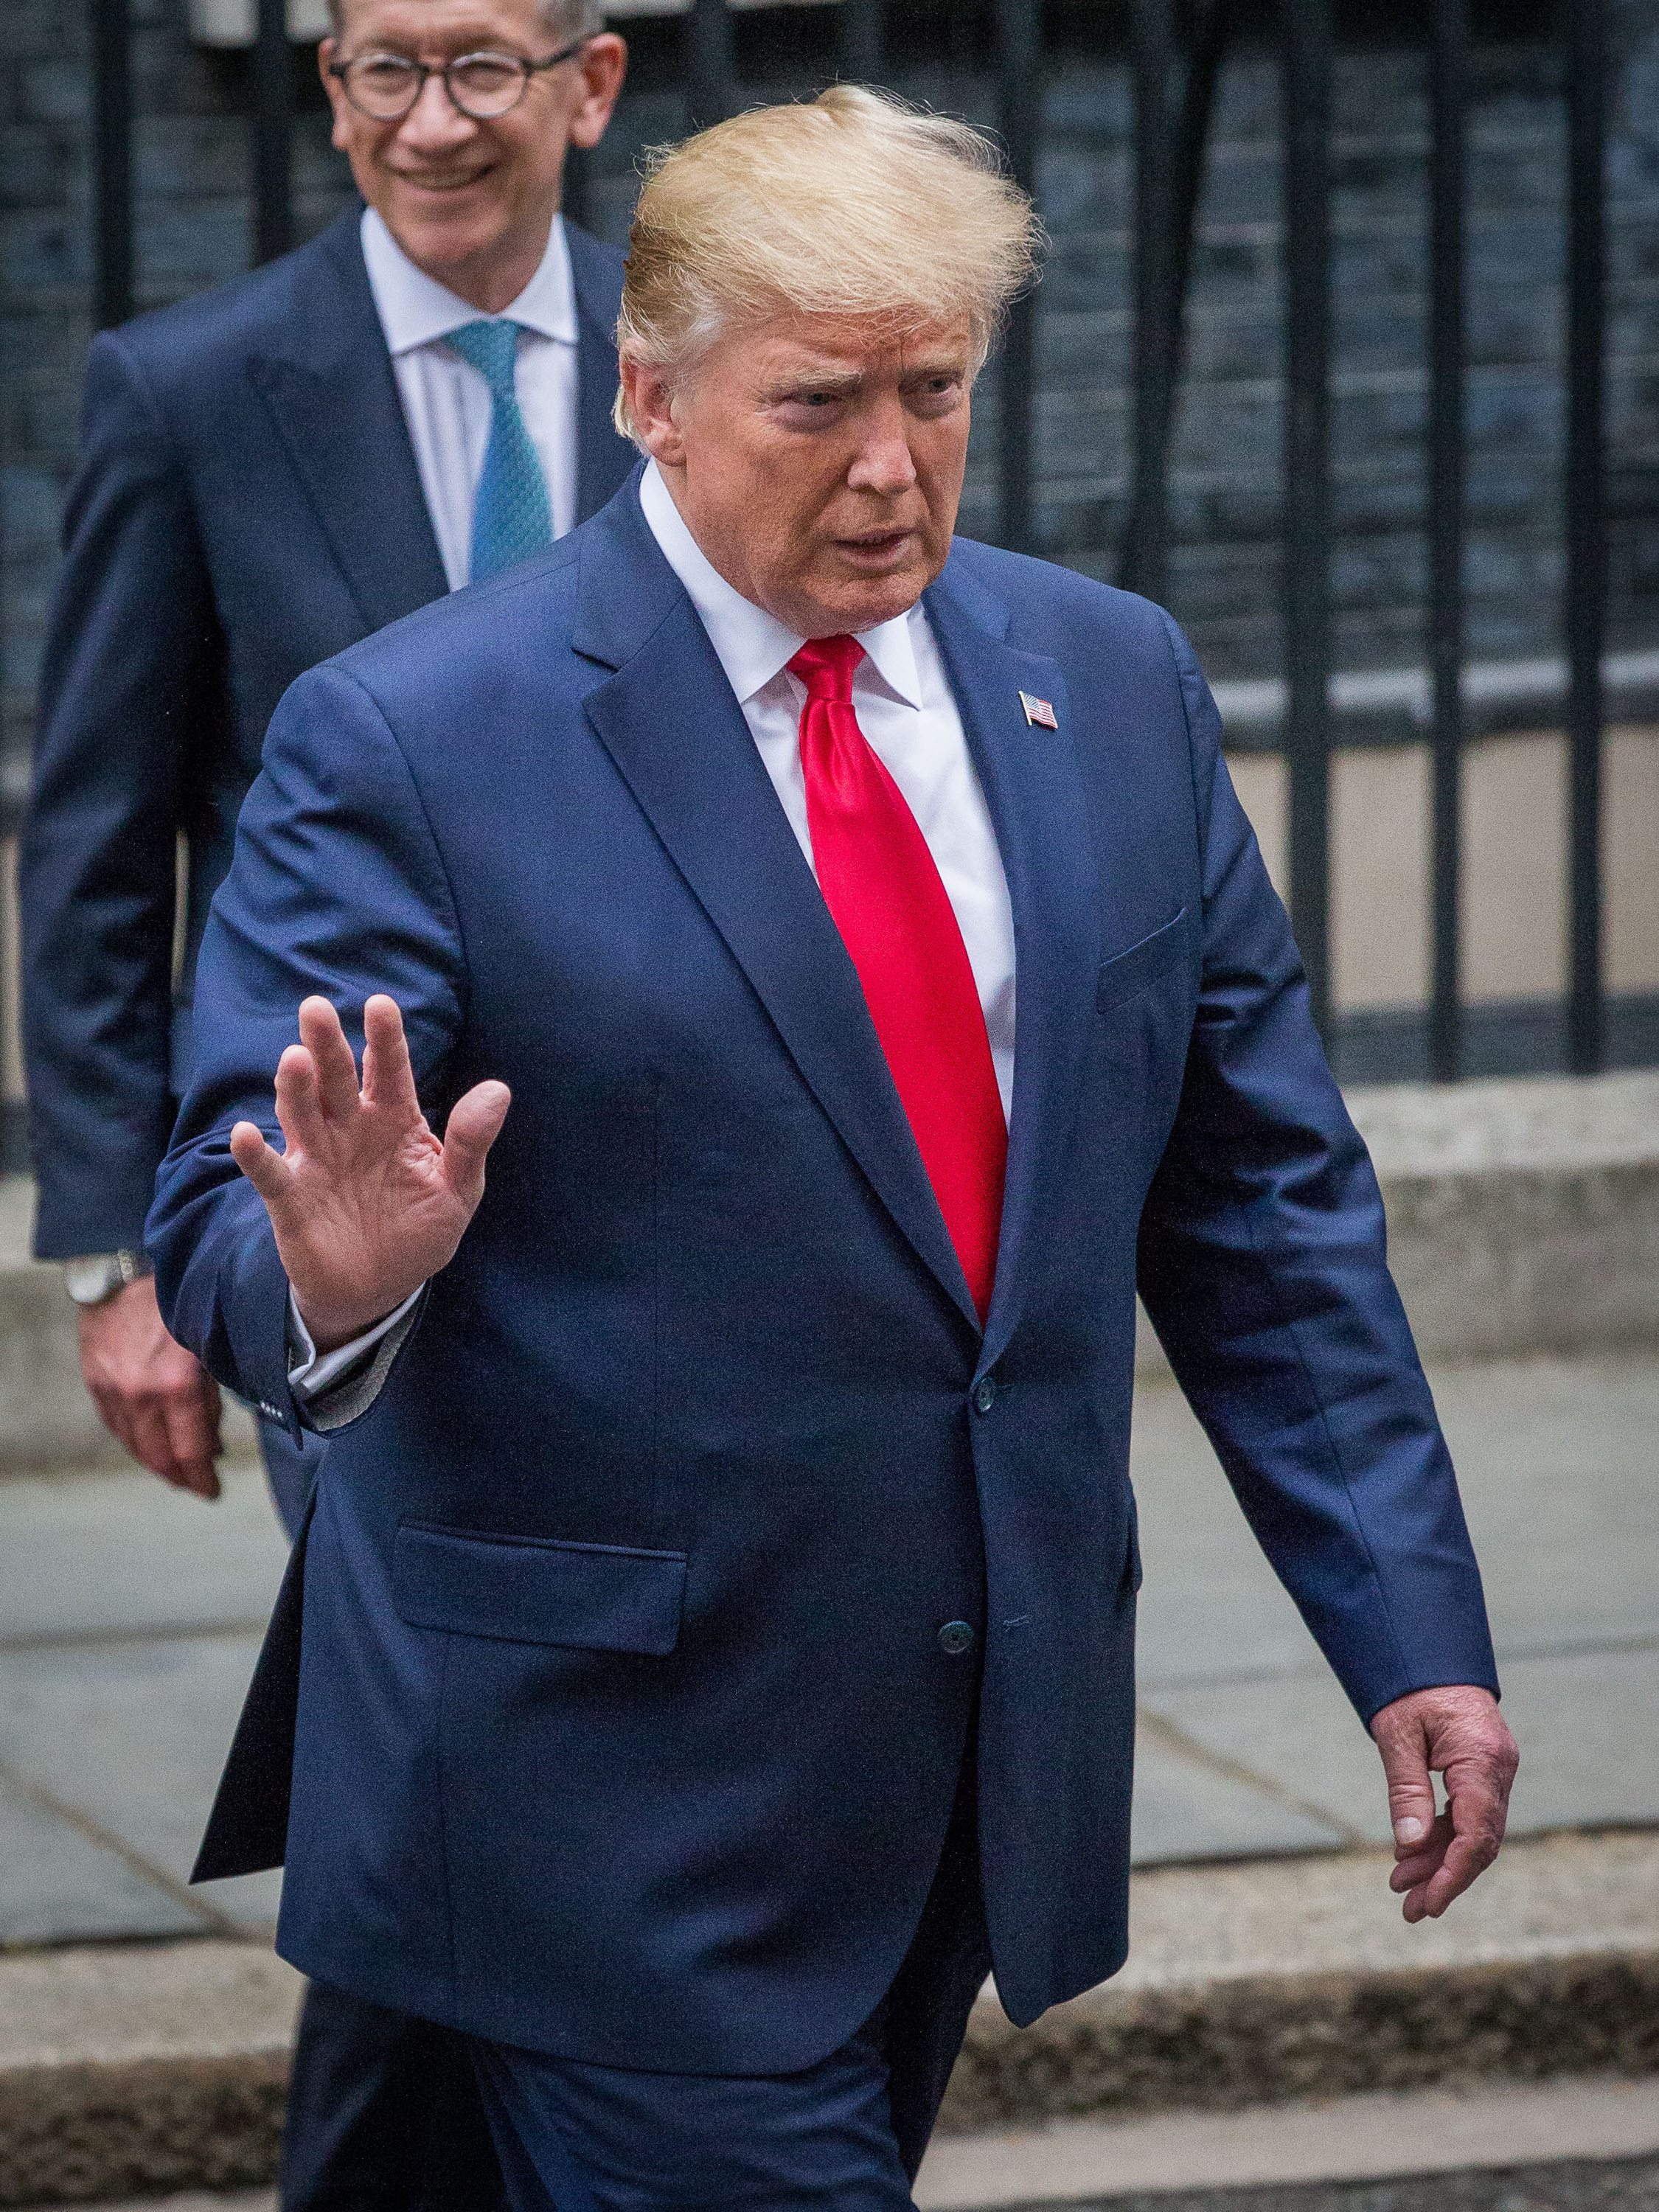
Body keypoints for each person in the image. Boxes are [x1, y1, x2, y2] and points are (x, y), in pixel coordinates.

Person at [149, 88, 1519, 2212]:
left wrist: (1408, 1629)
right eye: (815, 403)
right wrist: (335, 1273)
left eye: (934, 394)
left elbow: (1259, 1210)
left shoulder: (1110, 679)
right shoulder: (418, 733)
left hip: (973, 1761)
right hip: (600, 1795)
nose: (890, 469)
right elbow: (230, 1218)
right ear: (649, 395)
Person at [23, 0, 632, 2203]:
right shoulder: (193, 391)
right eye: (384, 68)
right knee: (435, 1727)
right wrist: (124, 1257)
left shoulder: (706, 365)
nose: (431, 123)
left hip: (655, 1208)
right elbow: (100, 850)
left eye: (480, 65)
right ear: (329, 93)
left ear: (596, 79)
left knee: (549, 1749)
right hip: (326, 1230)